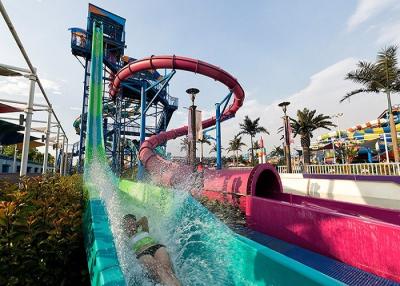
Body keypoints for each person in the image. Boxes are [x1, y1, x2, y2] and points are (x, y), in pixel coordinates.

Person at [122, 214, 181, 286]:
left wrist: (134, 224)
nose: (130, 223)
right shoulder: (127, 238)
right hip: (143, 253)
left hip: (156, 247)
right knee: (159, 270)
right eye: (127, 222)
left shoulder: (144, 230)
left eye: (131, 221)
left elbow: (144, 219)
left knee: (168, 270)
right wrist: (128, 227)